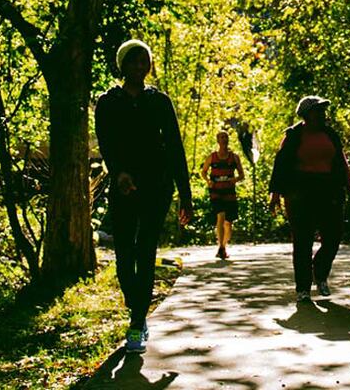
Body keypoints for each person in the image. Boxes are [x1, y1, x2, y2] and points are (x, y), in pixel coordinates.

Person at [95, 39, 193, 354]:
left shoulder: (160, 102)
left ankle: (137, 325)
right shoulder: (108, 102)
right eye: (133, 61)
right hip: (124, 186)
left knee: (146, 250)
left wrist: (185, 195)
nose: (139, 67)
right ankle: (137, 303)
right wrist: (120, 172)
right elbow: (107, 142)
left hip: (157, 186)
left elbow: (175, 147)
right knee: (124, 256)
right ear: (122, 65)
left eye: (144, 61)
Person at [268, 96, 350, 303]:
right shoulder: (293, 136)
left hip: (329, 189)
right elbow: (280, 166)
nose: (322, 115)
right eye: (318, 111)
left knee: (334, 235)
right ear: (307, 115)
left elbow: (341, 162)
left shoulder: (330, 134)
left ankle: (320, 270)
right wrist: (275, 195)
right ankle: (303, 289)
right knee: (302, 240)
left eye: (323, 112)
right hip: (300, 191)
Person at [201, 131, 245, 259]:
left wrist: (235, 180)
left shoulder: (234, 157)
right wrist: (208, 181)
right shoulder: (212, 157)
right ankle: (220, 246)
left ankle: (223, 246)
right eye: (221, 137)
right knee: (220, 216)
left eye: (226, 137)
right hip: (216, 191)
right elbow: (203, 172)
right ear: (217, 140)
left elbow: (242, 174)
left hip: (229, 191)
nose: (224, 139)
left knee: (228, 223)